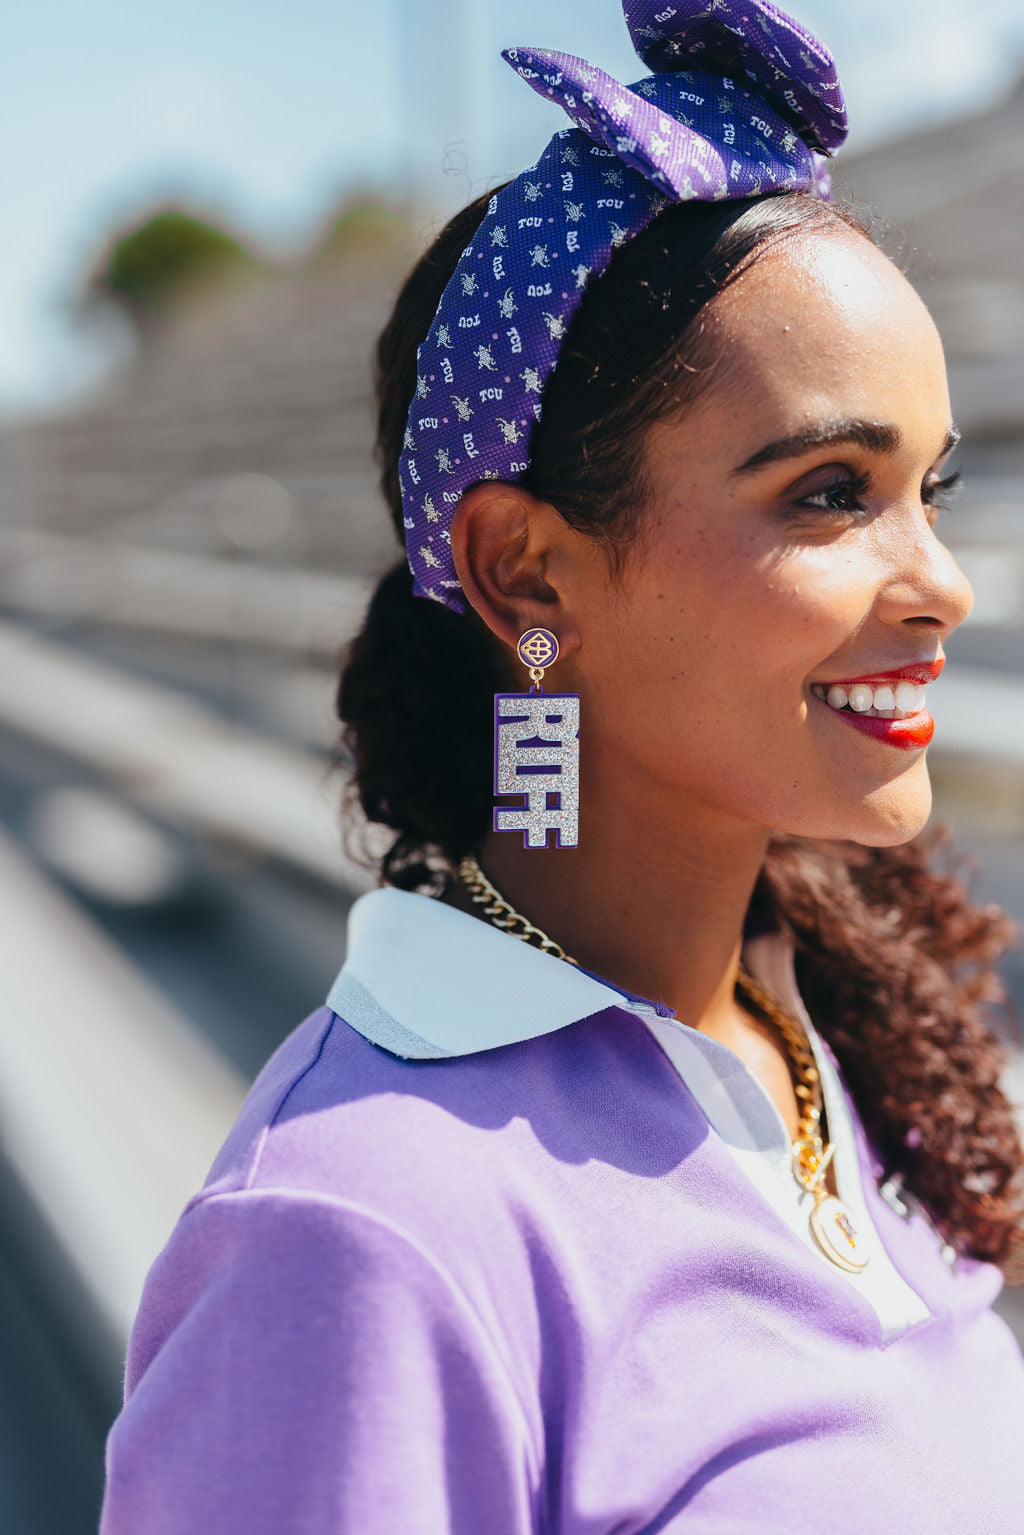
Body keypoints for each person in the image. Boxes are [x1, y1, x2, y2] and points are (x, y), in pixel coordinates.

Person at [100, 2, 1024, 1530]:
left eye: (932, 487)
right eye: (829, 492)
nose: (940, 582)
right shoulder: (354, 1236)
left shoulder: (813, 1025)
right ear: (527, 576)